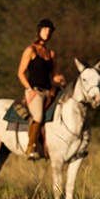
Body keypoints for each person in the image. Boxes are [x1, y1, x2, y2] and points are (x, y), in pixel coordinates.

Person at [16, 18, 65, 159]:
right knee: (38, 116)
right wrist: (30, 90)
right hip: (35, 91)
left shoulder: (51, 54)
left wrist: (59, 79)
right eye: (45, 30)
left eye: (50, 31)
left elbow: (53, 75)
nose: (47, 33)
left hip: (49, 91)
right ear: (39, 31)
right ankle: (31, 147)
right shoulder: (30, 50)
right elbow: (20, 73)